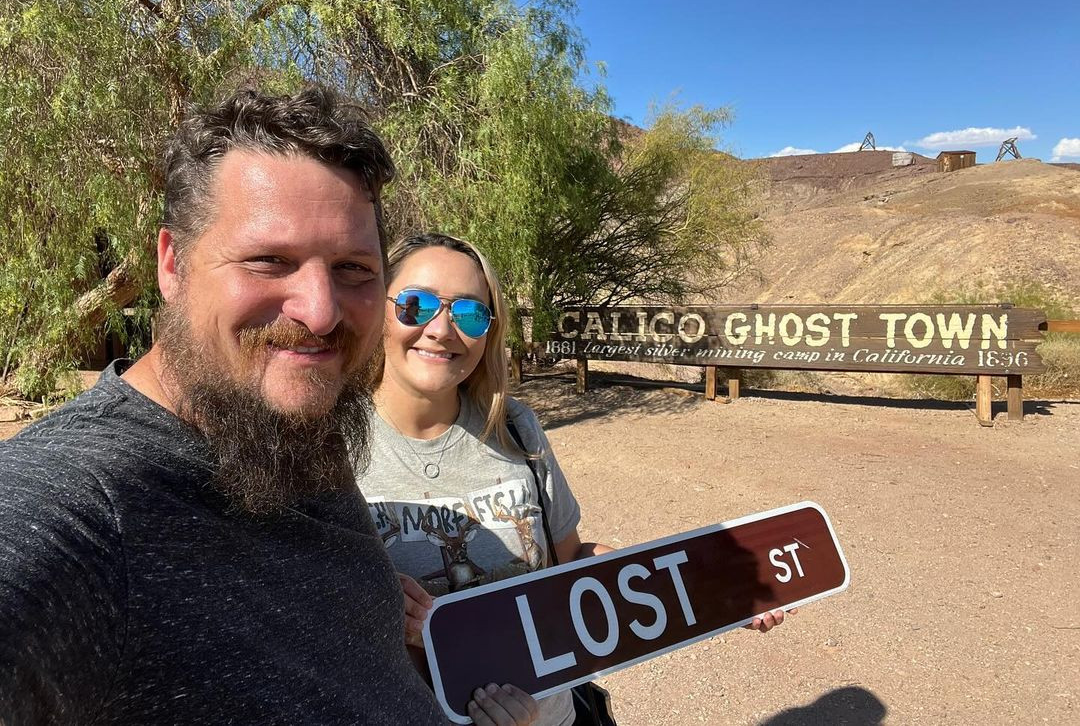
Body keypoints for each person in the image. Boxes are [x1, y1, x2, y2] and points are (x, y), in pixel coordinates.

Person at [0, 87, 536, 725]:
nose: (321, 312)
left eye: (353, 268)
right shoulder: (85, 508)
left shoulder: (292, 429)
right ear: (172, 265)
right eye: (268, 261)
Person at [359, 232, 790, 726]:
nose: (442, 330)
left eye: (470, 314)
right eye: (416, 305)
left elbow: (571, 562)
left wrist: (710, 590)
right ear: (377, 308)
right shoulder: (328, 451)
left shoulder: (515, 427)